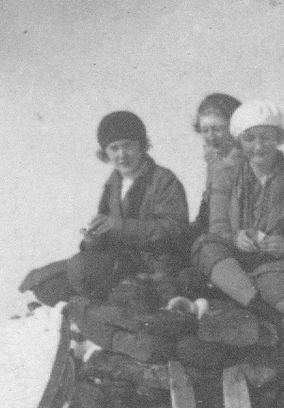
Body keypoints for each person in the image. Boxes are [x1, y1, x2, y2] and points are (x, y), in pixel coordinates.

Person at [191, 100, 284, 341]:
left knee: (272, 278)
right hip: (238, 264)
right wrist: (235, 239)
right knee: (205, 246)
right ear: (239, 141)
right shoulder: (226, 175)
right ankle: (270, 316)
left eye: (267, 137)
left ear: (281, 137)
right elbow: (218, 228)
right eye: (249, 138)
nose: (258, 146)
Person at [20, 110, 189, 305]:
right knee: (45, 282)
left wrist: (120, 226)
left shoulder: (163, 180)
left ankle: (116, 298)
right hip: (117, 261)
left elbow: (175, 230)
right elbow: (106, 231)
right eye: (113, 148)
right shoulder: (114, 183)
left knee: (80, 269)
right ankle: (111, 297)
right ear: (105, 152)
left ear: (142, 146)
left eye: (128, 146)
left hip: (151, 265)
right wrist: (93, 239)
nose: (121, 155)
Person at [191, 93, 242, 237]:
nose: (211, 137)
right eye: (205, 130)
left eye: (217, 130)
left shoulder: (241, 162)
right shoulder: (214, 159)